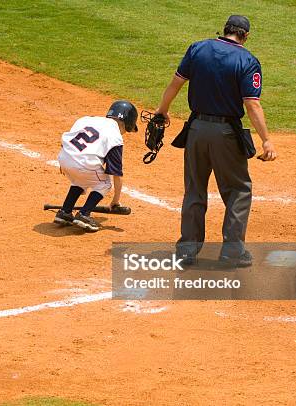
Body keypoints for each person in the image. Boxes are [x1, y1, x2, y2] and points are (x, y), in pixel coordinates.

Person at [154, 15, 277, 266]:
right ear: (246, 36)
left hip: (196, 129)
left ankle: (187, 251)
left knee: (195, 189)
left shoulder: (198, 48)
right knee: (238, 190)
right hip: (226, 135)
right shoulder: (248, 60)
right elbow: (252, 104)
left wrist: (162, 110)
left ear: (225, 30)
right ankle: (232, 252)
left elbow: (176, 83)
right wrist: (266, 139)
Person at [54, 100, 138, 232]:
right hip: (83, 165)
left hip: (64, 158)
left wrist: (63, 163)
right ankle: (84, 215)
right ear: (128, 123)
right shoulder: (115, 136)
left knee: (82, 178)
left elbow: (69, 139)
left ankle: (64, 212)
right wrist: (115, 201)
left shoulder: (86, 119)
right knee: (104, 184)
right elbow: (116, 173)